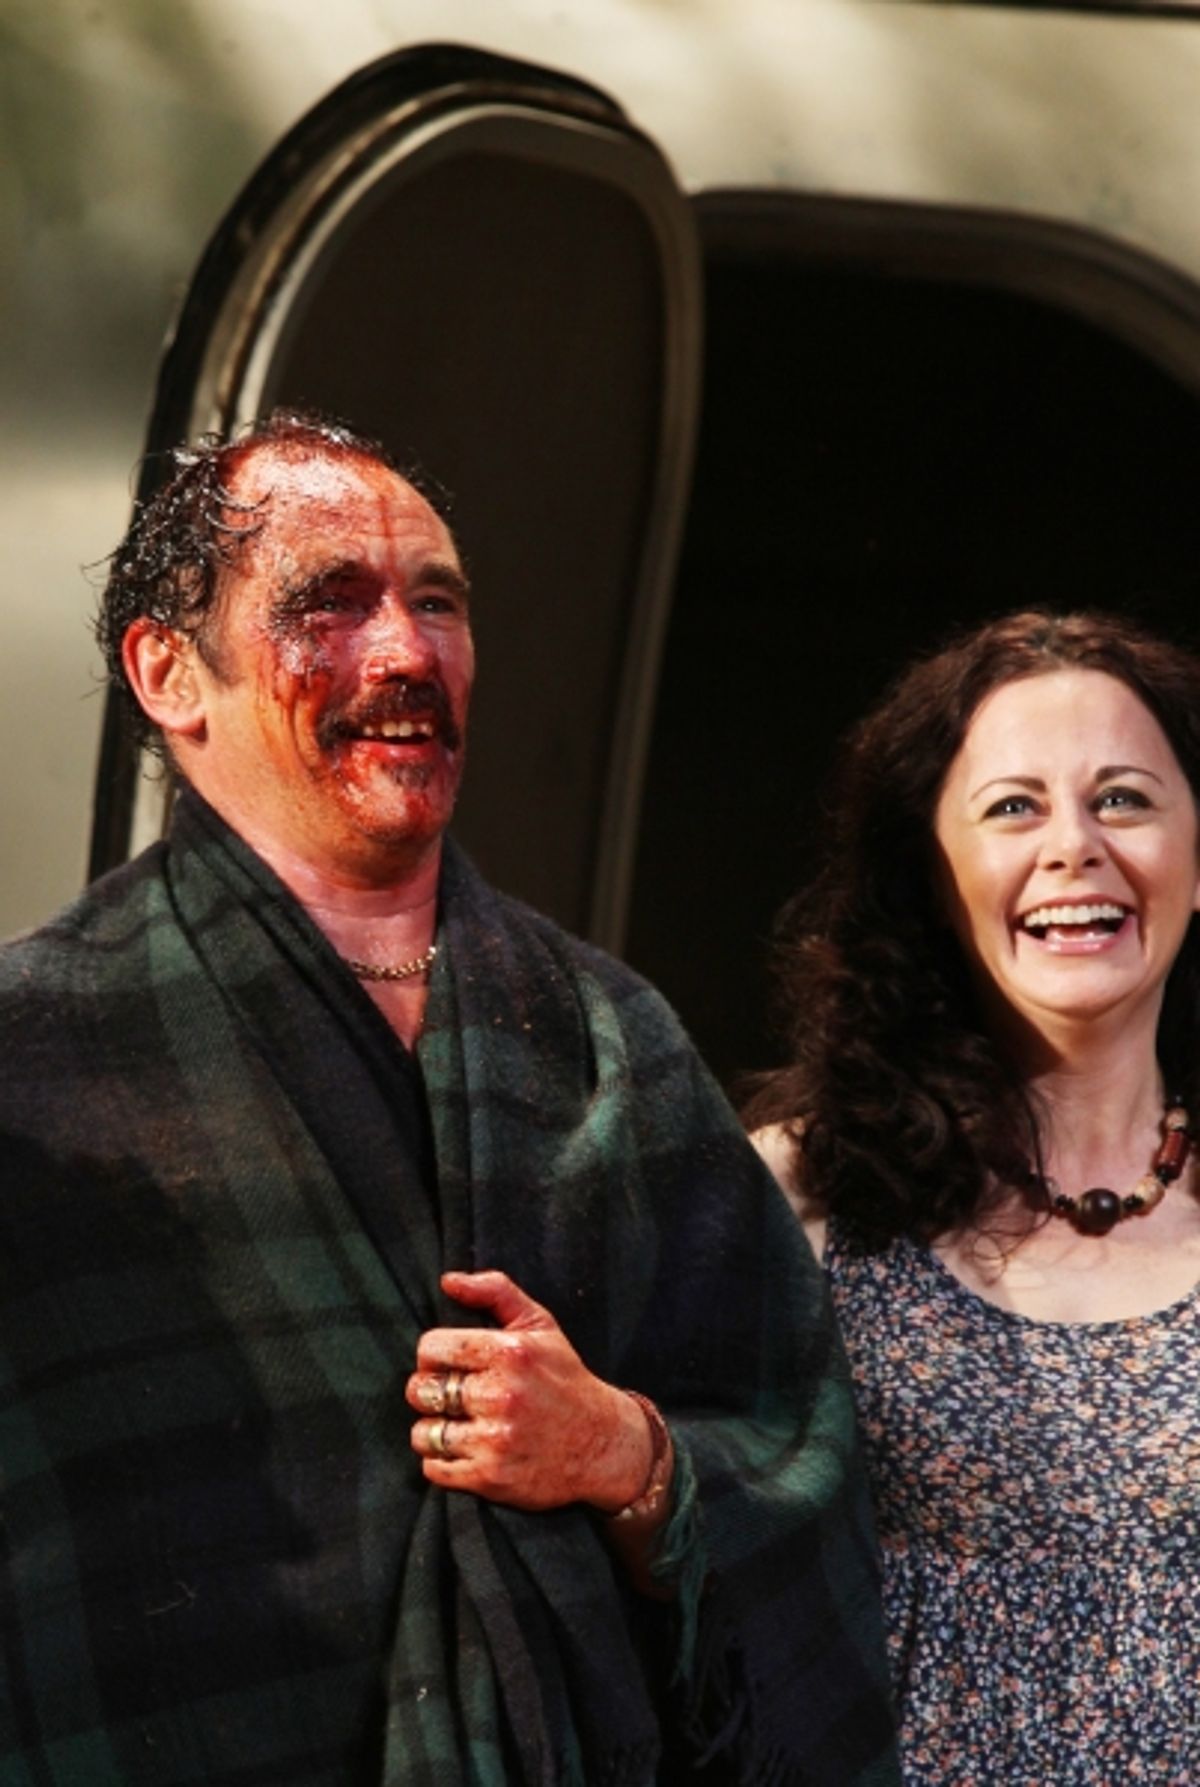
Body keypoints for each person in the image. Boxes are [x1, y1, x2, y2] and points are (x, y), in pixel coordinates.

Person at [0, 410, 897, 1785]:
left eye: (437, 601)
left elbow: (801, 1458)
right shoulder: (37, 1059)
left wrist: (630, 1455)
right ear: (171, 671)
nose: (408, 651)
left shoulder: (609, 1036)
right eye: (332, 602)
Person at [746, 607, 1200, 1783]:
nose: (1075, 846)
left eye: (1125, 798)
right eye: (1013, 807)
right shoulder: (803, 1191)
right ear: (935, 880)